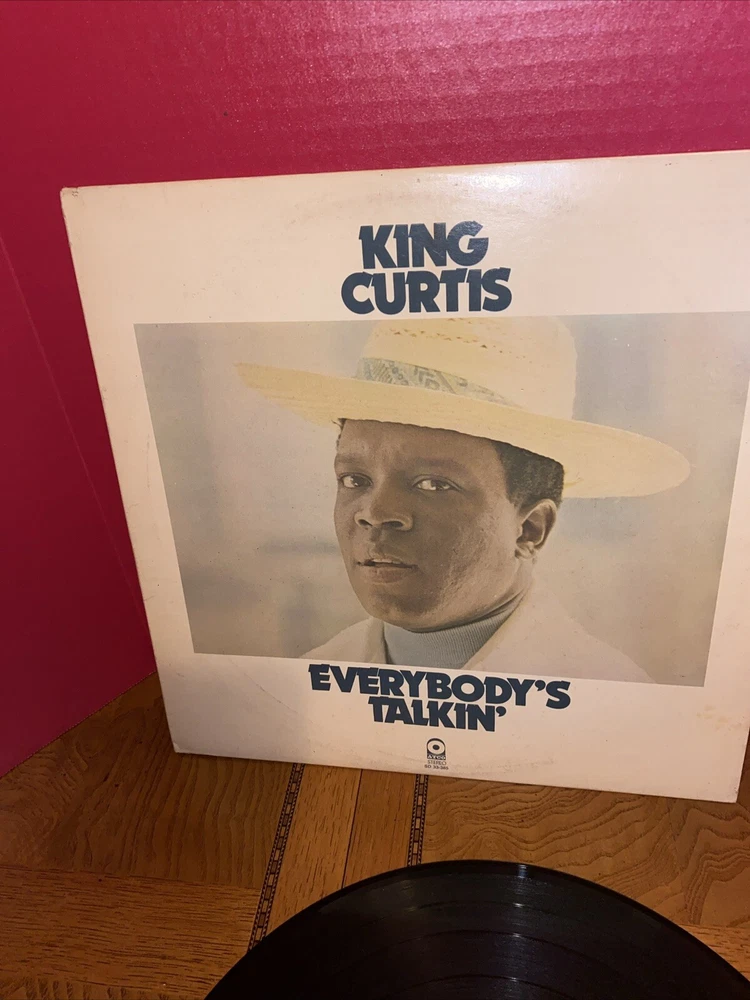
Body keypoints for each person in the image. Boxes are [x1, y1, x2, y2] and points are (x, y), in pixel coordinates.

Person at [239, 316, 689, 682]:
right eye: (355, 479)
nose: (375, 514)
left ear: (530, 528)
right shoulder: (312, 677)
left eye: (434, 485)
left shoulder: (607, 697)